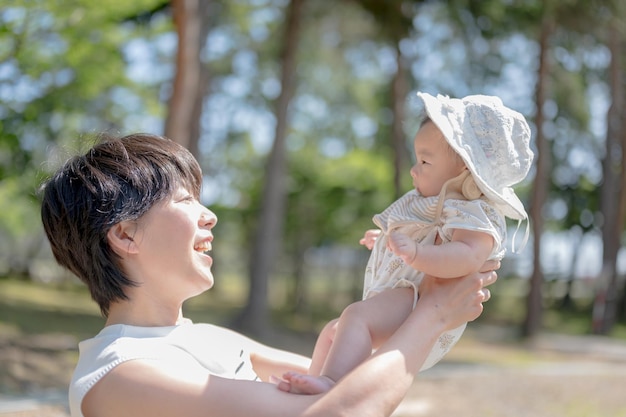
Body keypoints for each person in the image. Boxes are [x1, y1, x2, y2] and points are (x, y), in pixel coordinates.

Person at [40, 132, 498, 417]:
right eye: (184, 201)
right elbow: (338, 413)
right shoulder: (121, 374)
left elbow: (346, 385)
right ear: (124, 236)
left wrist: (423, 271)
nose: (210, 216)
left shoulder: (212, 340)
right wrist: (434, 312)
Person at [282, 92, 533, 395]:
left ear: (466, 168)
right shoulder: (435, 206)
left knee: (355, 317)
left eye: (425, 161)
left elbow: (467, 257)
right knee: (334, 331)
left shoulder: (476, 213)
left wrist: (416, 252)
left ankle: (330, 385)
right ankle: (313, 380)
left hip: (420, 300)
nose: (414, 170)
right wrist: (387, 240)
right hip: (408, 292)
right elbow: (422, 232)